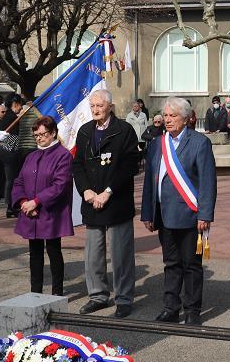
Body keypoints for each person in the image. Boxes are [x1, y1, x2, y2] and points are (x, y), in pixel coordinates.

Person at [141, 97, 217, 325]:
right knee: (170, 264)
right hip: (164, 216)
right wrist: (148, 213)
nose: (168, 120)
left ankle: (192, 310)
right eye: (166, 116)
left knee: (191, 265)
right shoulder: (157, 144)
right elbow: (149, 181)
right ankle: (170, 308)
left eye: (173, 116)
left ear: (185, 118)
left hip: (190, 217)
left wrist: (204, 214)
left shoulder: (199, 143)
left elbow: (207, 181)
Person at [73, 89, 140, 318]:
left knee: (121, 255)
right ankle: (98, 296)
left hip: (116, 203)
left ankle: (123, 298)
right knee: (93, 255)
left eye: (99, 106)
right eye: (92, 106)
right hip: (92, 203)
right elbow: (77, 165)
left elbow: (130, 165)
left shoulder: (124, 130)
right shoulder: (84, 131)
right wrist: (86, 190)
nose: (95, 110)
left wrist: (108, 192)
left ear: (110, 106)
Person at [11, 116, 74, 296]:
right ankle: (35, 292)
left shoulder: (63, 155)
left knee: (54, 251)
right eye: (36, 135)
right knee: (35, 254)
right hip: (31, 213)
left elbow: (60, 185)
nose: (39, 137)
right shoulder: (31, 156)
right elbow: (19, 182)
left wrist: (36, 201)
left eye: (43, 134)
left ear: (53, 133)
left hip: (51, 212)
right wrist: (23, 202)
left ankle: (57, 293)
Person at [0, 94, 25, 218]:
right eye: (20, 105)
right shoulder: (12, 117)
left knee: (10, 180)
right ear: (15, 104)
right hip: (10, 152)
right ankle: (11, 206)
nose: (21, 108)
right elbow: (13, 138)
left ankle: (11, 205)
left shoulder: (7, 116)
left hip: (6, 151)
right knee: (12, 180)